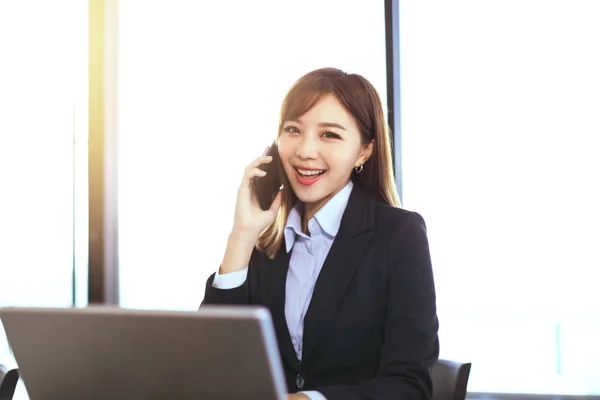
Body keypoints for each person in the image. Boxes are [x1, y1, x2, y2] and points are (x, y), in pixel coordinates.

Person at [202, 67, 439, 400]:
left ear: (364, 151)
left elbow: (410, 386)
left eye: (329, 135)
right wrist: (242, 234)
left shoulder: (398, 235)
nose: (305, 151)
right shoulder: (267, 241)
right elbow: (208, 364)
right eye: (293, 130)